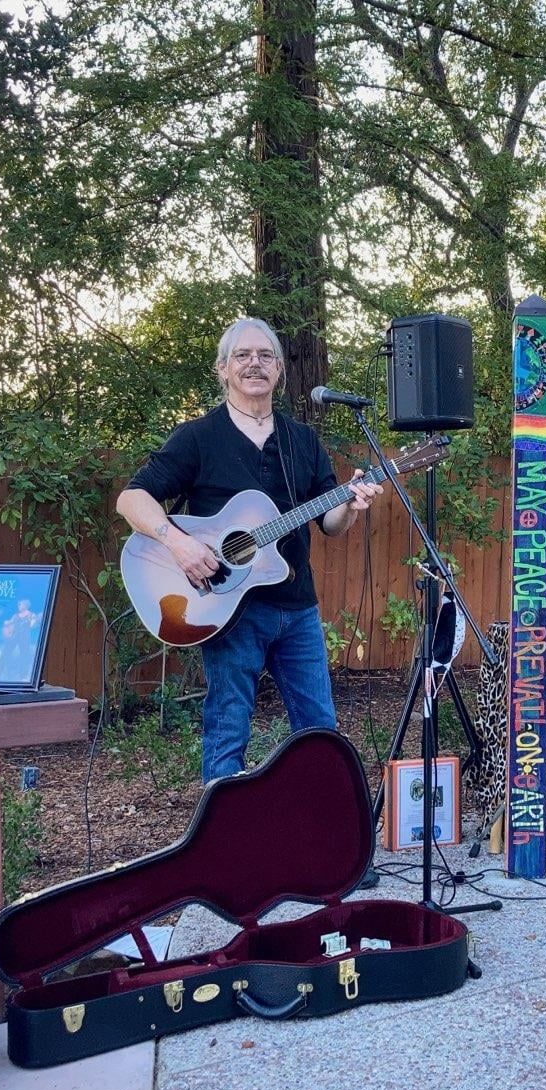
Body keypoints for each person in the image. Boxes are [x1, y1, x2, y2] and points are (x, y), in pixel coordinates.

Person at [116, 317, 382, 780]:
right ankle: (222, 825)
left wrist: (350, 505)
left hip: (297, 607)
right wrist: (179, 543)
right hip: (226, 608)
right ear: (223, 369)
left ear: (279, 369)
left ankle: (318, 821)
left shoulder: (302, 440)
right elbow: (131, 499)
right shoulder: (198, 437)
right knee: (228, 731)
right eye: (242, 355)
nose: (254, 364)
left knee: (320, 730)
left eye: (265, 356)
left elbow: (331, 524)